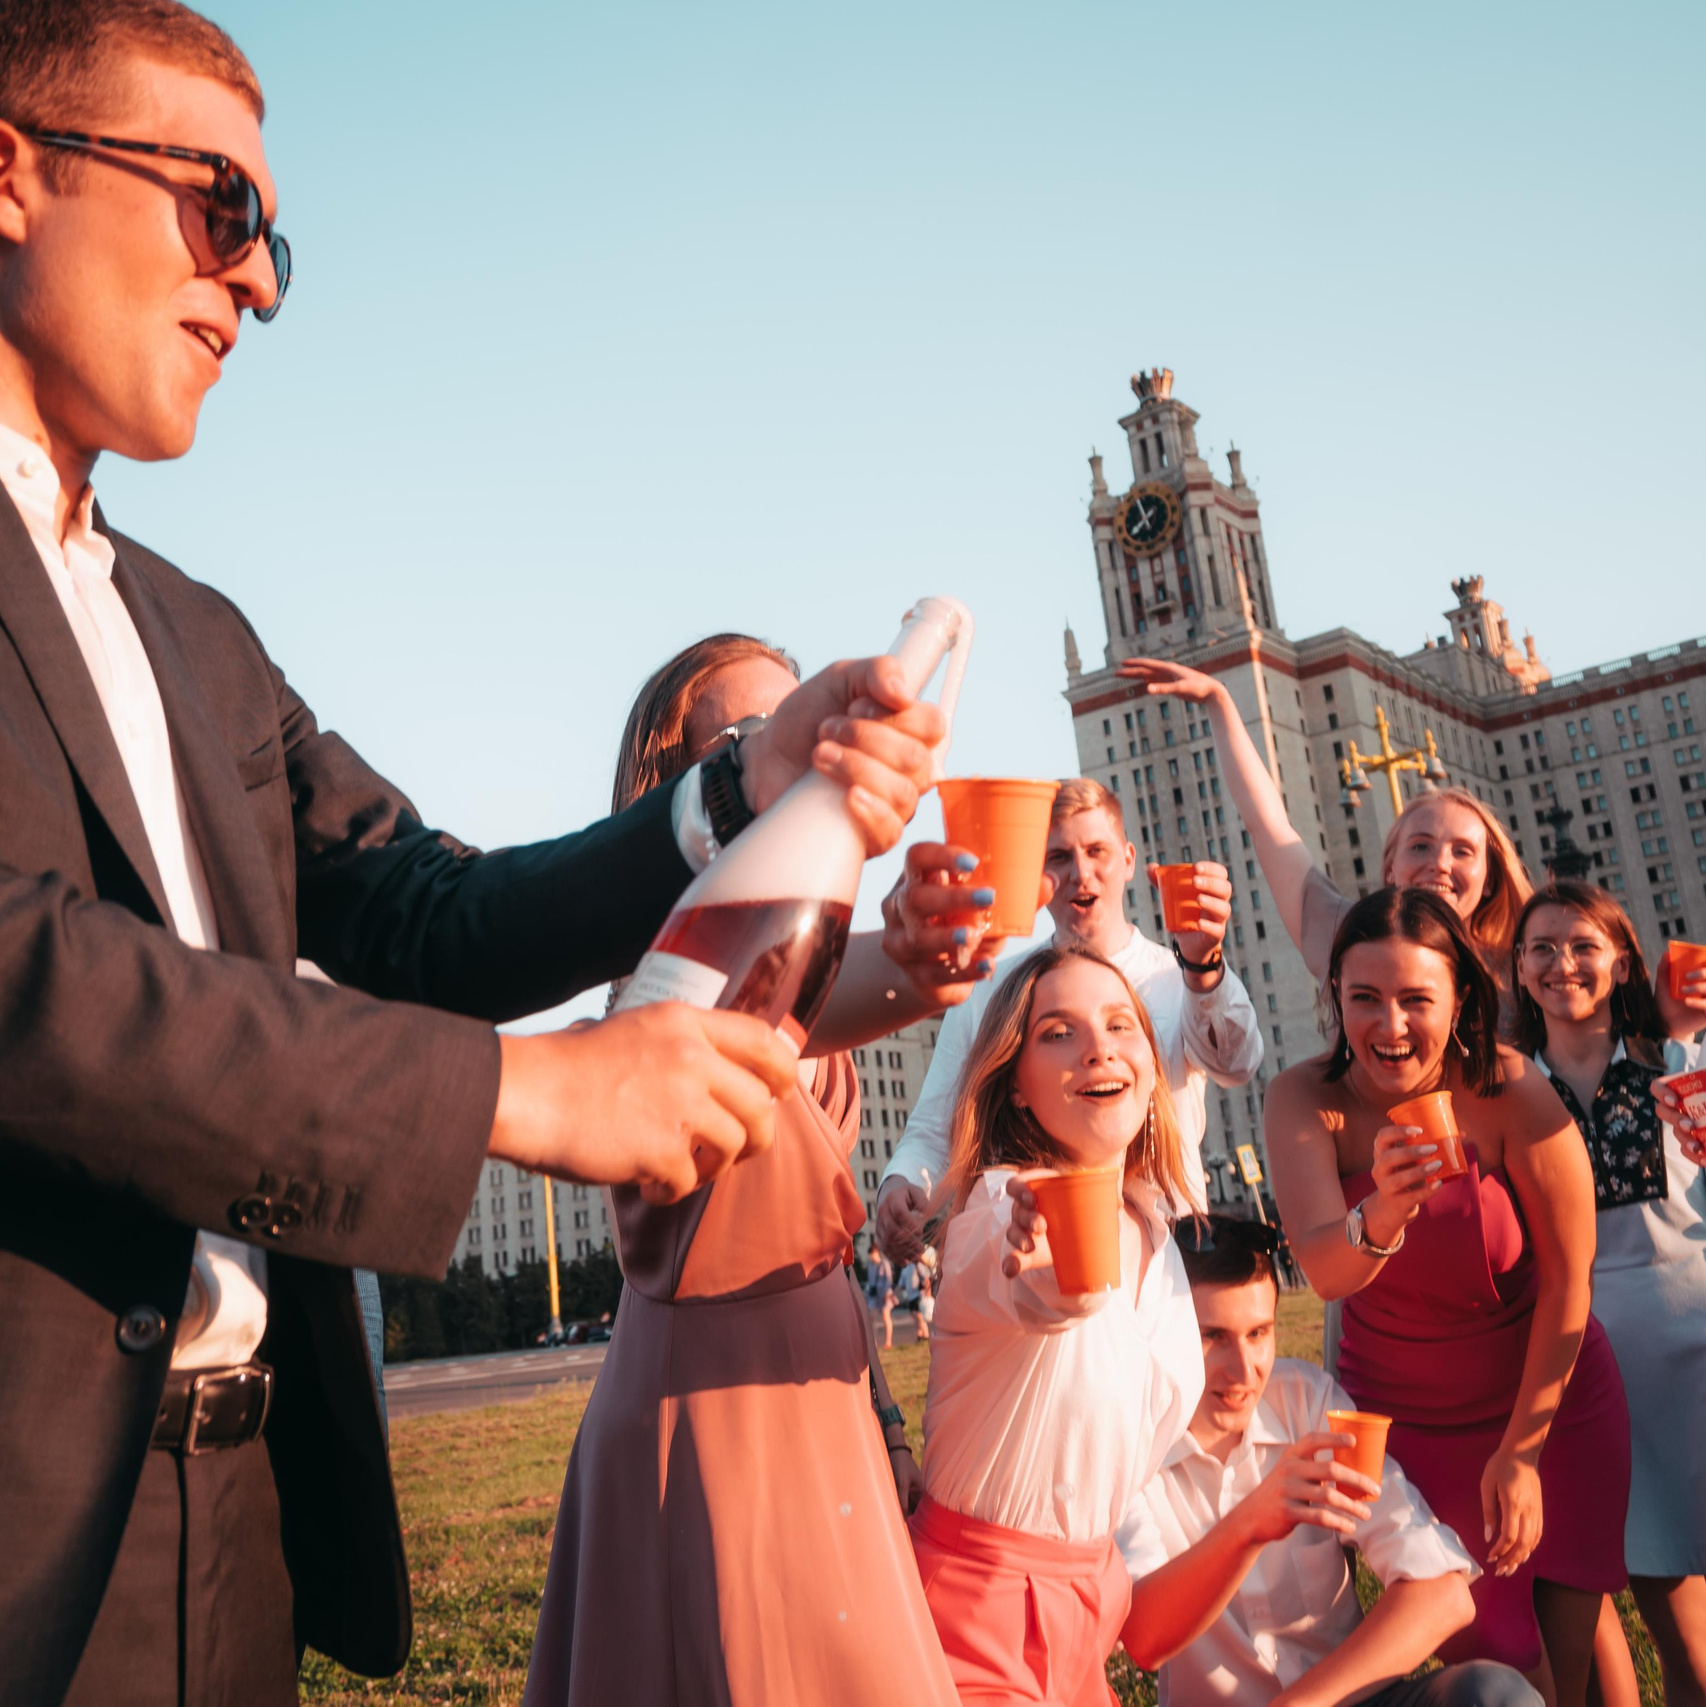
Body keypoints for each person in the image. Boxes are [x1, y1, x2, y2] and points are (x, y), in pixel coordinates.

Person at [0, 13, 949, 1704]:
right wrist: (527, 1092)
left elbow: (426, 913)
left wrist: (742, 780)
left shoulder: (198, 636)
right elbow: (35, 978)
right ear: (14, 170)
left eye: (271, 240)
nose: (261, 286)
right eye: (218, 207)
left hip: (234, 1529)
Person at [524, 633, 972, 1707]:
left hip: (824, 1417)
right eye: (748, 735)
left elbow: (837, 995)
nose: (795, 749)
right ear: (675, 786)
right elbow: (752, 996)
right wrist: (903, 965)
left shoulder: (803, 967)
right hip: (713, 1436)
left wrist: (884, 1419)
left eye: (804, 719)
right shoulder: (667, 988)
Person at [1263, 889, 1630, 1706]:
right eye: (1364, 998)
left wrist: (1524, 1449)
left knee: (1567, 1663)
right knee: (1494, 1643)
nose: (1390, 1025)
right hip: (1410, 1422)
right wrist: (1386, 1206)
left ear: (1459, 998)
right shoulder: (1303, 1100)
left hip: (1549, 1402)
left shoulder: (1511, 1089)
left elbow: (1572, 1281)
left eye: (1415, 999)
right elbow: (1326, 1270)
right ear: (1335, 999)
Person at [909, 944, 1205, 1707]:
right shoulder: (998, 1209)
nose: (1099, 1047)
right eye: (1058, 1032)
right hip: (970, 1618)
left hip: (1085, 1609)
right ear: (1015, 1085)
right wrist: (1053, 1283)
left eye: (1119, 1024)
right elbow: (1031, 1288)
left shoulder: (1156, 1228)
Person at [1120, 1213, 1541, 1707]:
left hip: (1345, 1700)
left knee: (1494, 1695)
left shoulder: (1304, 1400)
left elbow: (1443, 1593)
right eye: (1212, 1337)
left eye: (1258, 1333)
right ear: (1162, 1337)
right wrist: (1252, 1524)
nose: (1243, 1371)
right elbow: (1144, 1639)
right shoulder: (1130, 1444)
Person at [877, 776, 1263, 1257]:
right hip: (1039, 1257)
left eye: (1096, 851)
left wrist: (1204, 967)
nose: (1081, 872)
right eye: (1059, 857)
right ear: (1035, 873)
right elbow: (941, 1123)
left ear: (1127, 860)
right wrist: (902, 1187)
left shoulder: (1177, 975)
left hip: (1169, 1260)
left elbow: (1239, 1063)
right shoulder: (995, 986)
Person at [1513, 882, 1706, 1705]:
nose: (1564, 963)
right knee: (1667, 1638)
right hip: (1592, 1375)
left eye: (1583, 945)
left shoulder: (1680, 1063)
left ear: (1621, 960)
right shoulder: (1507, 1092)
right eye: (1543, 947)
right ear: (1518, 971)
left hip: (1694, 1353)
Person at [1117, 659, 1534, 1006]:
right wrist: (1218, 701)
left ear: (1490, 877)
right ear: (1390, 869)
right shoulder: (1346, 935)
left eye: (1463, 851)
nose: (1439, 863)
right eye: (1420, 846)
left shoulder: (1527, 967)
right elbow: (1268, 826)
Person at [866, 1244, 898, 1350]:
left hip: (885, 1294)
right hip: (875, 1295)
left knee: (885, 1314)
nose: (872, 1257)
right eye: (870, 1255)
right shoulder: (870, 1266)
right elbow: (870, 1281)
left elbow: (889, 1279)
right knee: (871, 1317)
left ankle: (888, 1342)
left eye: (873, 1254)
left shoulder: (884, 1263)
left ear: (877, 1253)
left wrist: (886, 1293)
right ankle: (873, 1343)